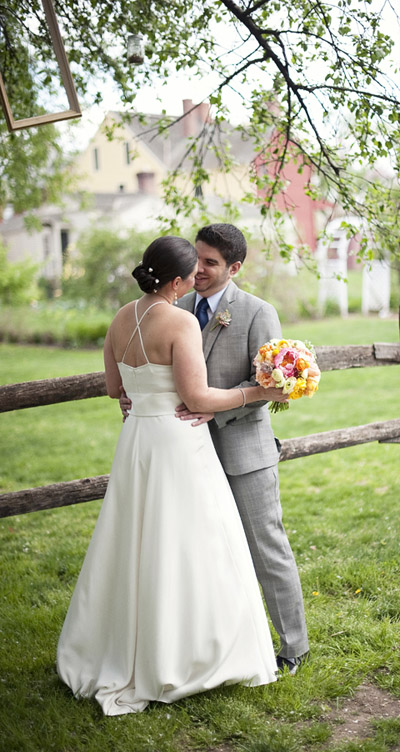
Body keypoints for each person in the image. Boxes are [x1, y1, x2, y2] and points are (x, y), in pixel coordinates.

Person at [57, 236, 289, 716]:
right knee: (191, 542)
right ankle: (186, 653)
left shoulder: (121, 317)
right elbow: (198, 399)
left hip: (137, 442)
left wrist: (139, 399)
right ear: (179, 281)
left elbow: (113, 388)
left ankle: (127, 645)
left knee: (136, 542)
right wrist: (256, 392)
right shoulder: (181, 320)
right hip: (179, 443)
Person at [121, 223, 309, 674]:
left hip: (243, 452)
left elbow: (269, 384)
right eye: (196, 259)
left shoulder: (257, 312)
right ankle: (211, 645)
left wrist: (213, 411)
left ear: (235, 268)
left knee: (267, 546)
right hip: (184, 456)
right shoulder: (173, 305)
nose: (198, 269)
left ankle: (293, 646)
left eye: (210, 263)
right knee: (197, 550)